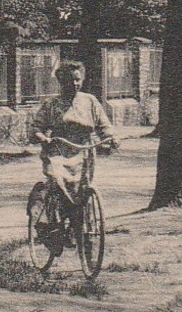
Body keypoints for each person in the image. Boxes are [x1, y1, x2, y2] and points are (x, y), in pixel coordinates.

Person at [30, 60, 118, 205]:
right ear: (61, 82)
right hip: (58, 149)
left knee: (83, 187)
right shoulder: (51, 104)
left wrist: (110, 138)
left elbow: (104, 125)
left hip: (84, 150)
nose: (74, 84)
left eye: (77, 80)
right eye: (69, 81)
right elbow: (36, 128)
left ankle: (80, 218)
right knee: (57, 182)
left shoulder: (90, 101)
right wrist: (43, 138)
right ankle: (50, 214)